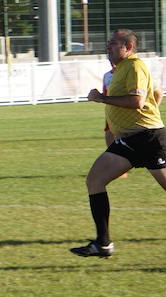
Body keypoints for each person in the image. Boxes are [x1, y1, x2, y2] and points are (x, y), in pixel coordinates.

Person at [71, 29, 166, 258]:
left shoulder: (135, 66)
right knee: (95, 180)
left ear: (128, 47)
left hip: (148, 137)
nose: (108, 47)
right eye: (108, 43)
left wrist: (101, 98)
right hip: (130, 139)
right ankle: (102, 244)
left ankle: (102, 244)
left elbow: (137, 101)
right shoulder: (120, 69)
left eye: (113, 44)